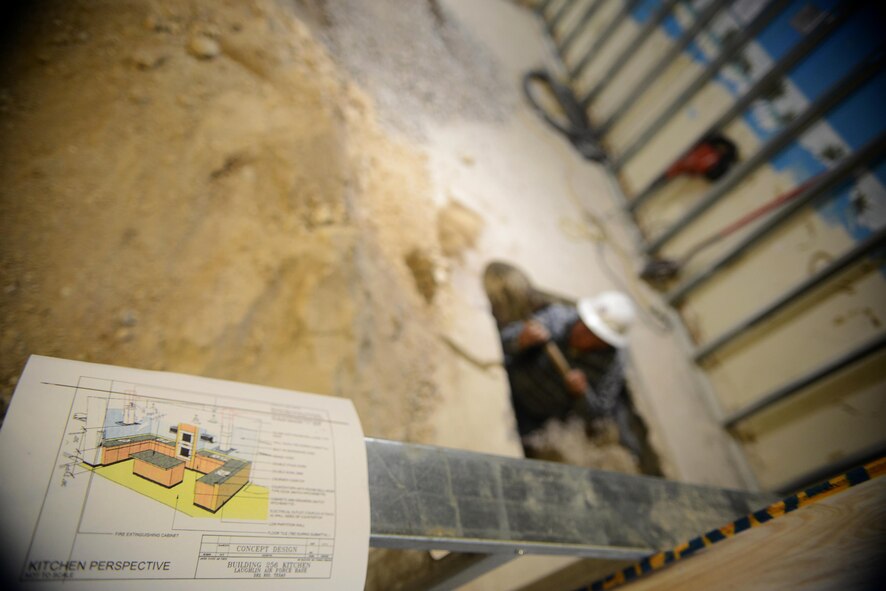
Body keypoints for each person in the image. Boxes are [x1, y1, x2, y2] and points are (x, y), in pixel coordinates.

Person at [499, 291, 641, 455]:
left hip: (533, 418)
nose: (582, 334)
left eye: (594, 335)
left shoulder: (611, 367)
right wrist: (520, 340)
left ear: (605, 343)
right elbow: (501, 339)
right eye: (585, 325)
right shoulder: (557, 318)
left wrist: (582, 394)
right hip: (506, 382)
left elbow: (598, 415)